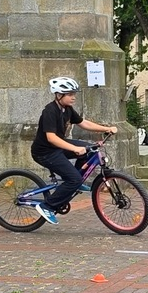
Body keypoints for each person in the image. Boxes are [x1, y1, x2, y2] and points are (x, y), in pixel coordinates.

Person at [31, 77, 119, 224]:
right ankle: (47, 206)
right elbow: (51, 138)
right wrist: (75, 149)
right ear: (59, 95)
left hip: (58, 146)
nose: (74, 97)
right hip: (45, 152)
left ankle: (75, 181)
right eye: (70, 94)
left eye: (74, 94)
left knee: (90, 150)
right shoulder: (49, 111)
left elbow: (83, 123)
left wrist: (106, 128)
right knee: (74, 179)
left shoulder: (67, 109)